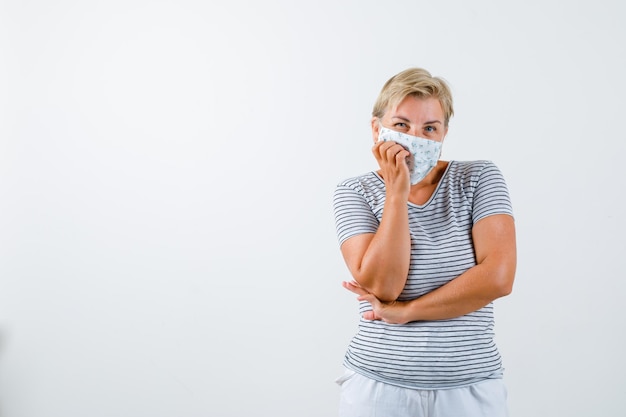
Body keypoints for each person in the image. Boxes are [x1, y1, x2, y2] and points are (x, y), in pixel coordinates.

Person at [332, 67, 516, 417]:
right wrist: (397, 193)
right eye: (401, 125)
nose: (414, 138)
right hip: (378, 387)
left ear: (444, 132)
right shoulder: (353, 192)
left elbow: (498, 278)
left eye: (429, 128)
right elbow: (383, 287)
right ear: (376, 129)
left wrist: (408, 312)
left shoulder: (478, 178)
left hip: (471, 388)